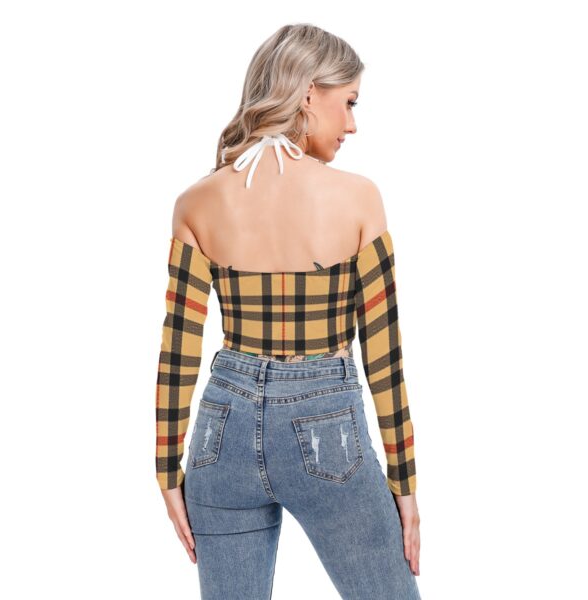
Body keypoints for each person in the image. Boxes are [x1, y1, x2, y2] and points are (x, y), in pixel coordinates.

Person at [155, 23, 422, 600]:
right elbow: (384, 354)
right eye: (349, 102)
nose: (352, 124)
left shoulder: (197, 201)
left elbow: (178, 350)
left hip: (220, 432)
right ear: (308, 93)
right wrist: (404, 483)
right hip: (327, 428)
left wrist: (165, 469)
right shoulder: (358, 197)